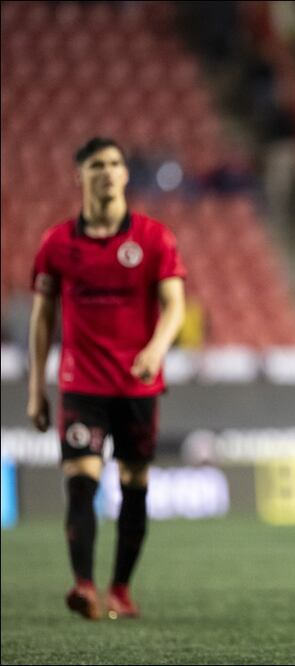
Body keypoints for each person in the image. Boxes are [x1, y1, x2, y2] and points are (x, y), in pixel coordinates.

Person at [26, 137, 186, 621]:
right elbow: (41, 317)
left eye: (116, 163)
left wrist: (156, 350)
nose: (109, 171)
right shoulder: (57, 243)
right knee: (80, 481)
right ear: (80, 176)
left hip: (137, 386)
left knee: (134, 483)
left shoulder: (154, 238)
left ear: (124, 174)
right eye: (98, 164)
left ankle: (120, 588)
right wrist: (37, 386)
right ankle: (84, 585)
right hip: (81, 384)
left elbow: (175, 304)